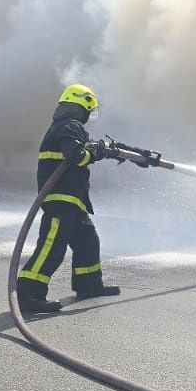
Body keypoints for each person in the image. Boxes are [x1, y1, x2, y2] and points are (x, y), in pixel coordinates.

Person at [16, 84, 122, 314]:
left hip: (73, 201)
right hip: (61, 201)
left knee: (88, 242)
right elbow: (77, 156)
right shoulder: (69, 126)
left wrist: (101, 148)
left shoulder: (65, 128)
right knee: (52, 248)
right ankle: (29, 294)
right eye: (88, 109)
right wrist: (96, 151)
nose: (88, 116)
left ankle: (89, 285)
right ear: (80, 107)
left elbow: (78, 150)